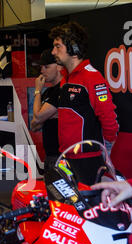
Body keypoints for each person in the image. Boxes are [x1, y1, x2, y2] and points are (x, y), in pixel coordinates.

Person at [49, 21, 119, 185]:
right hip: (67, 159)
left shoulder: (92, 78)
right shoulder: (65, 79)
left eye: (58, 46)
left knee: (88, 209)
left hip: (88, 161)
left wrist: (105, 152)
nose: (53, 52)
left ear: (74, 49)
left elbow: (109, 118)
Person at [30, 48, 62, 175]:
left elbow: (37, 117)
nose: (42, 71)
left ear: (58, 67)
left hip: (60, 157)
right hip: (49, 156)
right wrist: (44, 117)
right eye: (41, 67)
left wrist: (37, 90)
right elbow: (34, 126)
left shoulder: (62, 90)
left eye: (46, 67)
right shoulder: (49, 92)